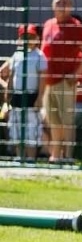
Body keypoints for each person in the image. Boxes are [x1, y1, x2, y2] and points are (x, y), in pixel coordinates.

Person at [39, 0, 82, 164]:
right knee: (53, 119)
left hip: (65, 81)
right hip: (47, 80)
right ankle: (56, 154)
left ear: (71, 7)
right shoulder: (48, 25)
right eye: (58, 2)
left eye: (65, 2)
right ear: (53, 6)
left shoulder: (75, 26)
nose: (61, 5)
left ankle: (68, 156)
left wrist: (76, 74)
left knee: (66, 119)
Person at [1, 24, 44, 160]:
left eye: (31, 37)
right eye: (24, 37)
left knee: (31, 129)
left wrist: (40, 98)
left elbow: (42, 79)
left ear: (37, 39)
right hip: (17, 97)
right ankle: (20, 157)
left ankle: (31, 158)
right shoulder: (16, 56)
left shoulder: (39, 56)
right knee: (16, 128)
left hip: (32, 96)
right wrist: (8, 93)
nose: (27, 40)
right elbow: (12, 76)